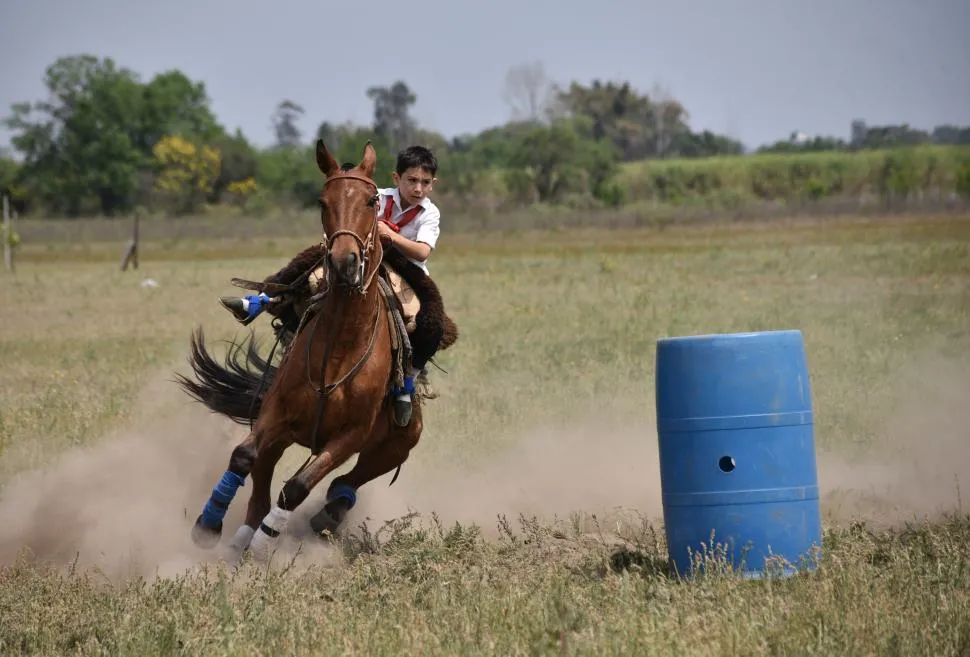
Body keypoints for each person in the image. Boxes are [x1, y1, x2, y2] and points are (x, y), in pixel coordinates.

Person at [219, 145, 443, 427]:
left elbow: (422, 252)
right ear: (397, 179)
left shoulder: (429, 214)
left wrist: (390, 236)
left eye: (425, 182)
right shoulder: (375, 196)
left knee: (432, 319)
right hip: (363, 255)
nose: (418, 188)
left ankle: (407, 381)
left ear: (432, 185)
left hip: (405, 266)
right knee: (310, 269)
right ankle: (264, 301)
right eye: (412, 180)